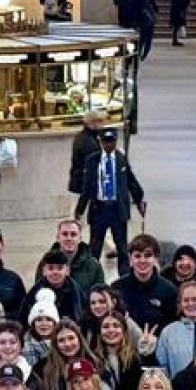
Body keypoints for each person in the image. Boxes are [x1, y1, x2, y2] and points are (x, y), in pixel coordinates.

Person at [74, 128, 145, 276]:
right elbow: (86, 187)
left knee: (122, 248)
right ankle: (92, 276)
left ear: (115, 142)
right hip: (99, 209)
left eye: (111, 142)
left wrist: (139, 200)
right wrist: (79, 210)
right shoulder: (92, 160)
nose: (108, 145)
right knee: (95, 248)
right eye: (105, 142)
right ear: (100, 142)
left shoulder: (121, 159)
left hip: (117, 209)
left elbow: (130, 181)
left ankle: (124, 278)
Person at [112, 233, 178, 329]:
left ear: (155, 258)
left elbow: (173, 325)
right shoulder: (116, 288)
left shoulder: (169, 291)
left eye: (147, 256)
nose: (142, 260)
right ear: (130, 259)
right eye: (137, 256)